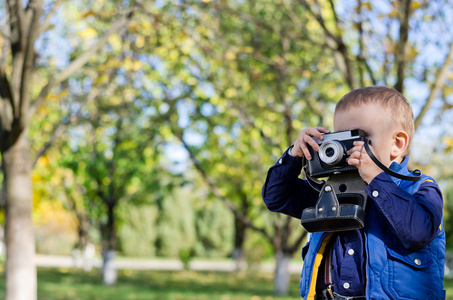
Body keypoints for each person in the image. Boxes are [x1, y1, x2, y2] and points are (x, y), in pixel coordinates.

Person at [262, 86, 445, 300]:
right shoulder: (329, 192)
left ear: (397, 143)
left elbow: (418, 232)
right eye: (340, 139)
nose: (347, 149)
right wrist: (294, 154)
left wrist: (376, 179)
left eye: (360, 138)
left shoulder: (421, 188)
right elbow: (276, 197)